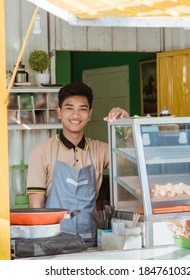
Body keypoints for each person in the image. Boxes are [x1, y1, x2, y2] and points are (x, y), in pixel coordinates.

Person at [26, 82, 129, 246]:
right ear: (59, 113)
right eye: (69, 108)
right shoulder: (41, 151)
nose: (76, 115)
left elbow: (128, 162)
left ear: (90, 114)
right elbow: (36, 205)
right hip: (52, 242)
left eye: (82, 109)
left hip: (90, 241)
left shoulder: (99, 150)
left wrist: (125, 126)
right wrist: (41, 246)